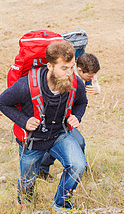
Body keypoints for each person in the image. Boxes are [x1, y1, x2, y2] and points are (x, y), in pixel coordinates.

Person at [0, 40, 88, 212]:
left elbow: (82, 102)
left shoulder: (75, 82)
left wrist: (77, 116)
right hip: (33, 140)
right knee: (27, 180)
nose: (69, 73)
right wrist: (24, 121)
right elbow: (1, 102)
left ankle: (61, 205)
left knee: (77, 165)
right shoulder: (25, 85)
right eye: (64, 68)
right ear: (50, 66)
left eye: (72, 67)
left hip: (59, 134)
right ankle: (26, 205)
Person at [38, 53, 101, 181]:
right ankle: (46, 170)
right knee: (75, 142)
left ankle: (76, 169)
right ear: (79, 70)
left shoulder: (84, 74)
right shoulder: (66, 79)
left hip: (67, 120)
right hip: (56, 120)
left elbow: (83, 100)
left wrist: (97, 89)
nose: (92, 78)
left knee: (74, 142)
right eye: (89, 76)